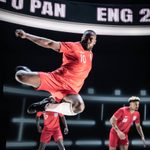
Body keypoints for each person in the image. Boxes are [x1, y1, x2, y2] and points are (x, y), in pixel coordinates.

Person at [15, 29, 97, 116]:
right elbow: (50, 43)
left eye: (91, 39)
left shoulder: (90, 54)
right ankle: (28, 72)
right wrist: (27, 35)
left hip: (69, 91)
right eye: (85, 38)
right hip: (55, 79)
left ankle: (46, 105)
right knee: (20, 75)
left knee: (79, 106)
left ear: (94, 41)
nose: (88, 41)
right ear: (82, 38)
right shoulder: (73, 46)